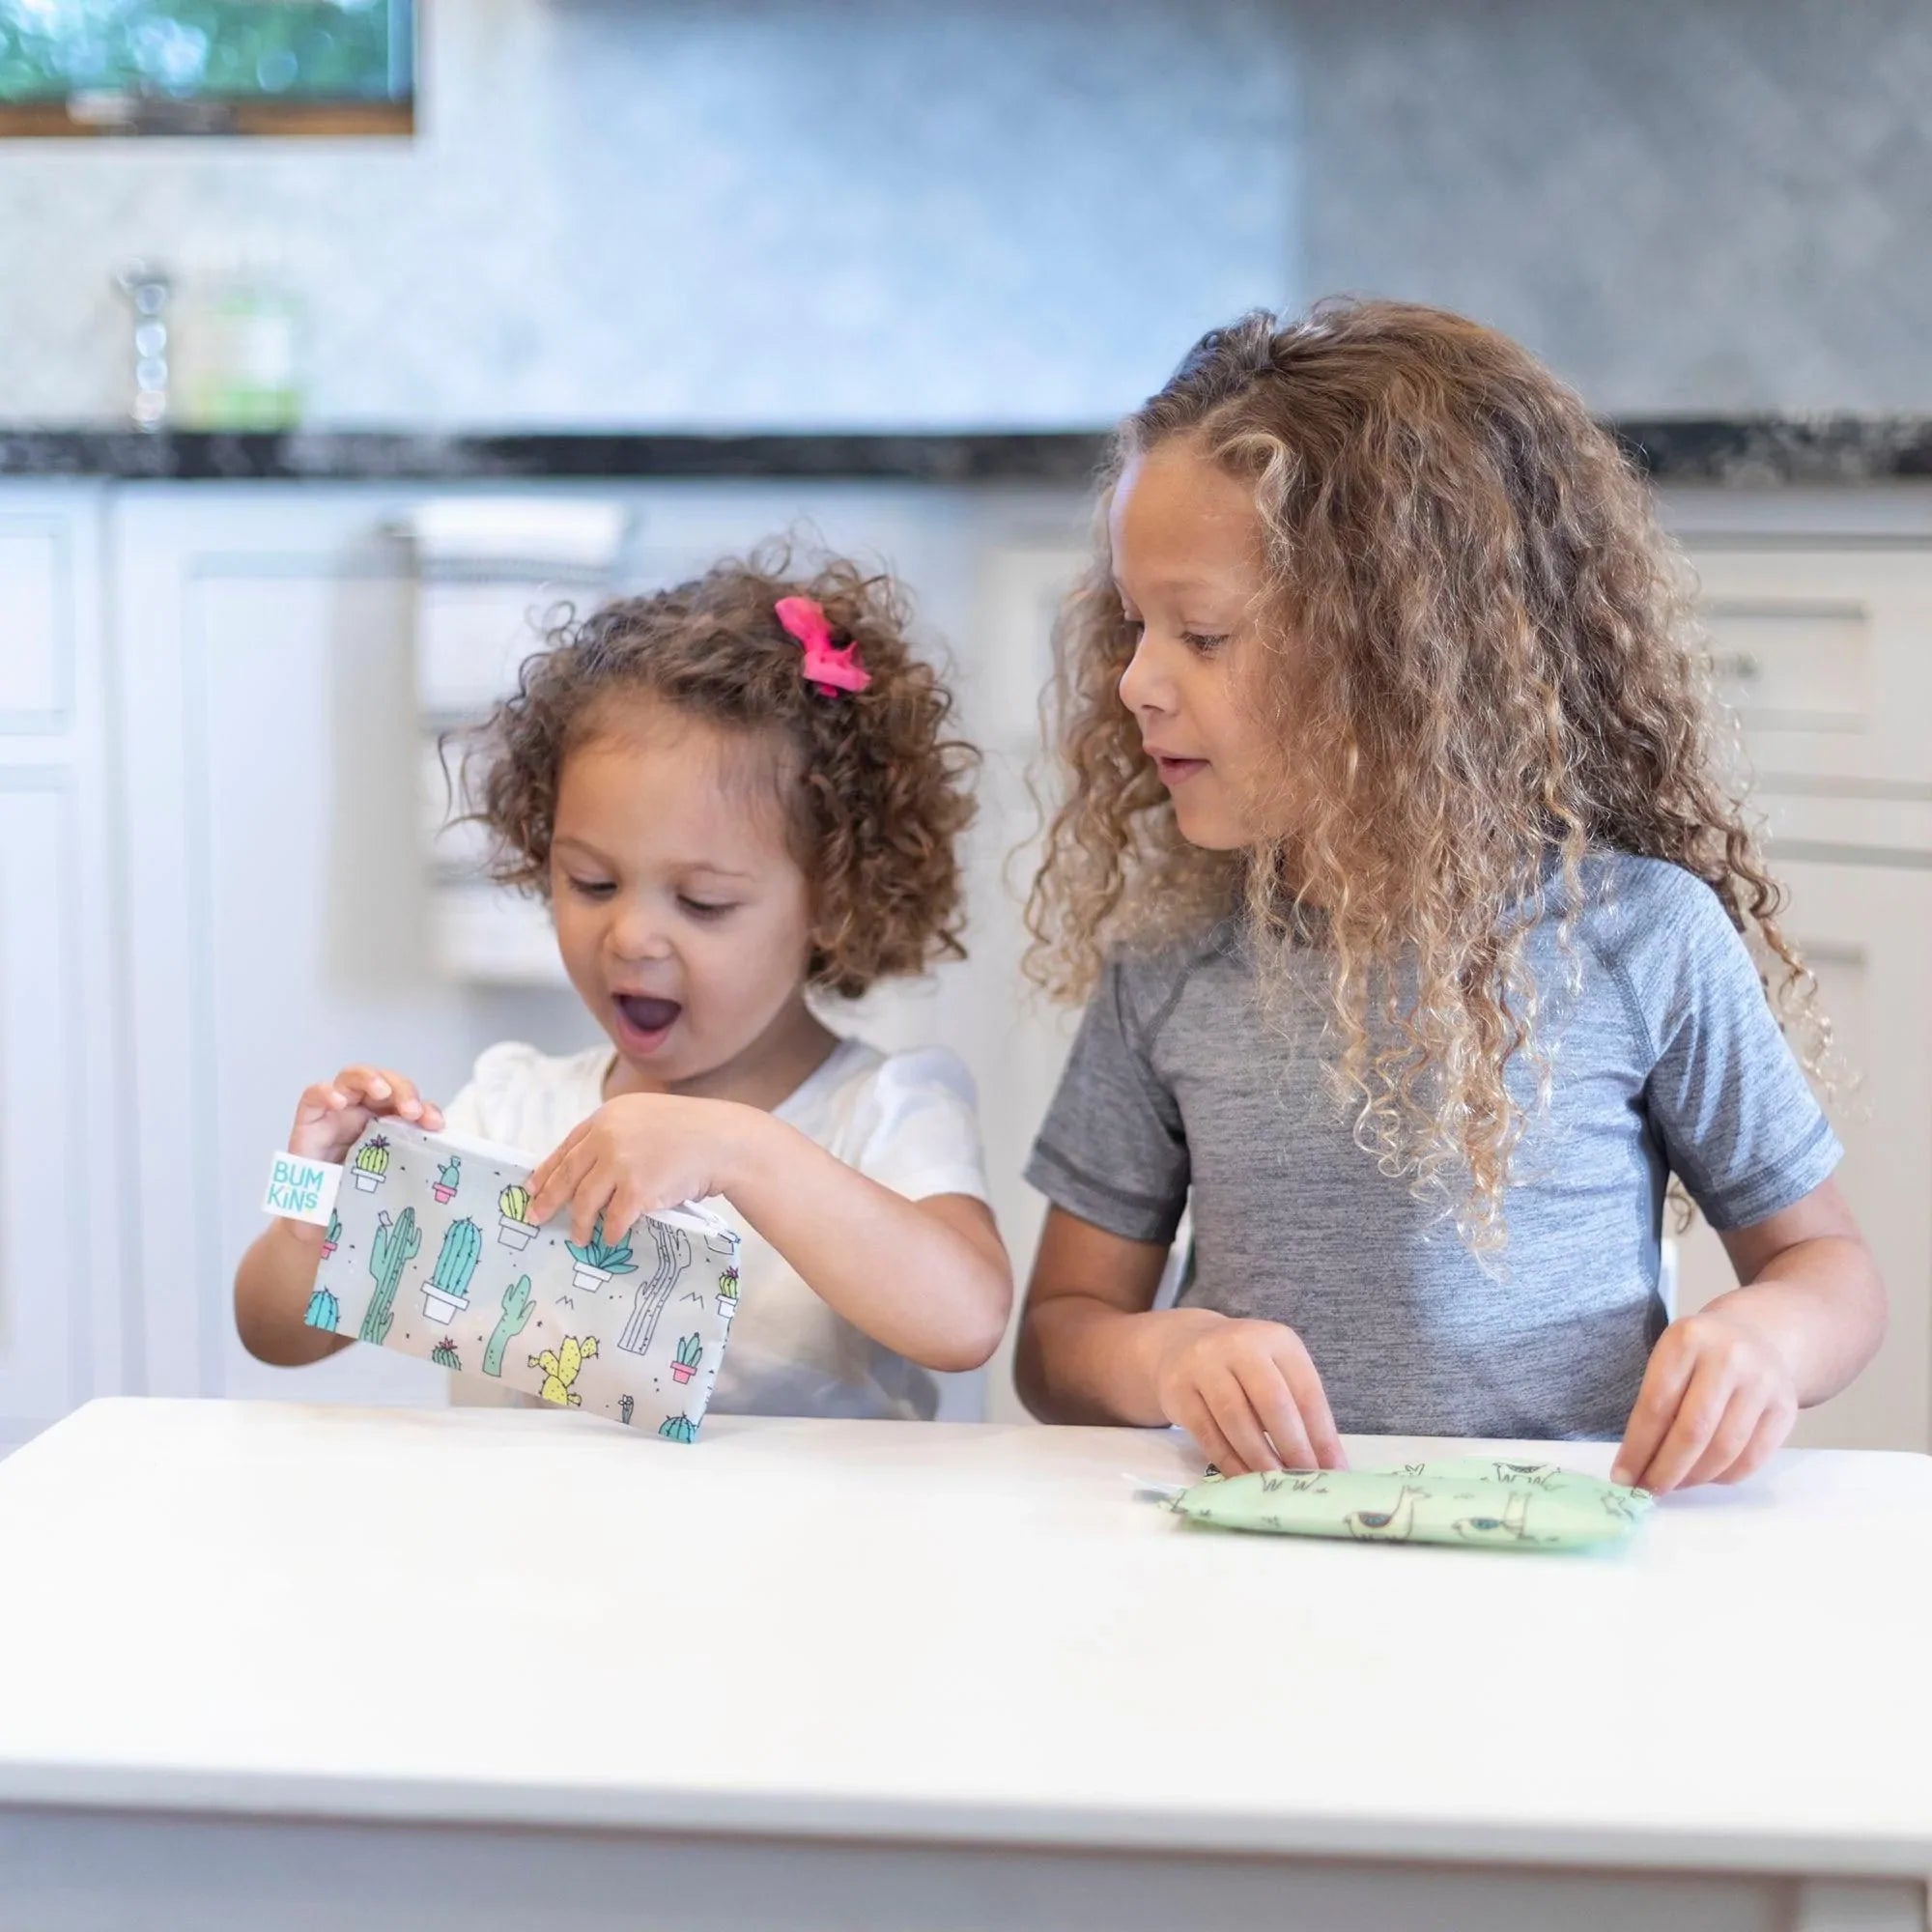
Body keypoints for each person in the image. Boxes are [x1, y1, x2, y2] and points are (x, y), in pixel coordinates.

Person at [1016, 300, 1884, 1492]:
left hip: (1554, 1557)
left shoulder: (1637, 934)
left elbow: (1828, 1271)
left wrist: (1761, 1342)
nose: (1134, 682)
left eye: (1202, 635)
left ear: (1398, 656)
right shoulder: (1171, 956)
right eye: (1132, 624)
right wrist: (1162, 1355)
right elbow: (1057, 1339)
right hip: (1255, 1548)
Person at [237, 550, 1010, 1419]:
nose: (632, 935)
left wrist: (741, 1151)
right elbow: (276, 1334)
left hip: (790, 1555)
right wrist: (319, 1210)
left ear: (832, 898)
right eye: (592, 883)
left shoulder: (884, 1112)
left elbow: (968, 1320)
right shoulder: (514, 1112)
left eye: (703, 901)